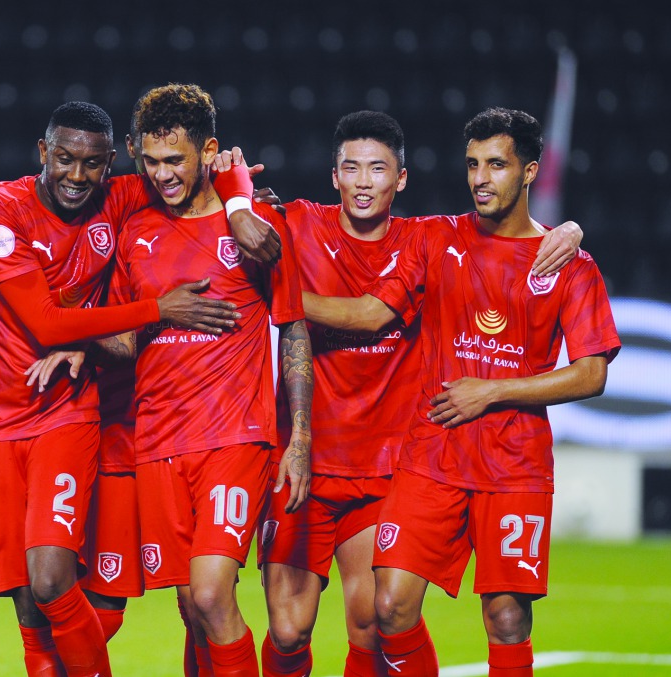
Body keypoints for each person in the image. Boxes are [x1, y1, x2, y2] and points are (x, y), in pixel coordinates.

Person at [243, 111, 582, 677]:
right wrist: (235, 196)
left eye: (378, 169)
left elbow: (382, 310)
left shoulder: (429, 238)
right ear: (334, 176)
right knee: (286, 627)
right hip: (303, 458)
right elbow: (217, 221)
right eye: (351, 168)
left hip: (384, 465)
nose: (364, 180)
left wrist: (568, 229)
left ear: (401, 180)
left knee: (374, 619)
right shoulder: (298, 223)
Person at [0, 100, 266, 677]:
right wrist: (158, 309)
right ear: (43, 152)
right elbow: (46, 324)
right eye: (66, 159)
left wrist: (243, 201)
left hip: (73, 410)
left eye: (93, 163)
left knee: (67, 584)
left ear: (110, 162)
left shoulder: (121, 198)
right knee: (31, 604)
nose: (79, 176)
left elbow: (211, 164)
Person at [111, 83, 312, 677]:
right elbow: (125, 338)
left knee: (208, 594)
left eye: (175, 160)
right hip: (158, 442)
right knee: (190, 607)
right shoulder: (135, 232)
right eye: (150, 160)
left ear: (209, 151)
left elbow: (294, 330)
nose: (162, 174)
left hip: (234, 438)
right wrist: (65, 339)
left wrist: (297, 437)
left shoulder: (255, 227)